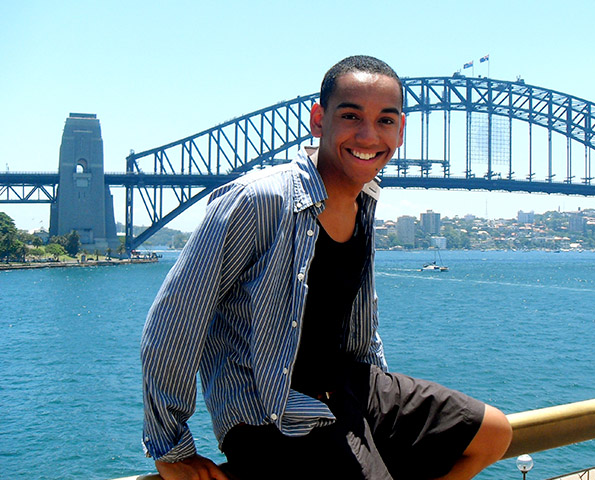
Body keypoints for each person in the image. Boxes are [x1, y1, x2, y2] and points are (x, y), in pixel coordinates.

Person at [141, 55, 512, 480]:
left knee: (493, 434)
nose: (369, 135)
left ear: (402, 131)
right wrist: (170, 448)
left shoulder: (365, 200)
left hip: (349, 385)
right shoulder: (258, 200)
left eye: (386, 121)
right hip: (271, 410)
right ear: (319, 120)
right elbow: (173, 324)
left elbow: (354, 319)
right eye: (351, 115)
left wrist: (374, 408)